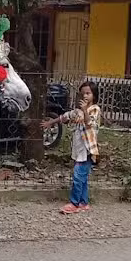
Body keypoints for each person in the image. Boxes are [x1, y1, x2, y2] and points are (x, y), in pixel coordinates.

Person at [42, 81, 101, 214]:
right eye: (82, 94)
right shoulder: (77, 111)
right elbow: (64, 117)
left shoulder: (95, 109)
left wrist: (85, 110)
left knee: (77, 176)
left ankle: (74, 203)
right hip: (78, 149)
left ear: (94, 95)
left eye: (88, 93)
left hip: (87, 150)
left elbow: (89, 123)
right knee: (83, 178)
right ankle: (84, 203)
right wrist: (51, 122)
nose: (85, 96)